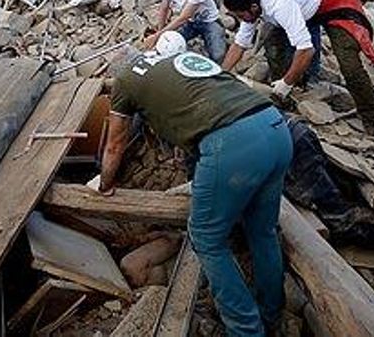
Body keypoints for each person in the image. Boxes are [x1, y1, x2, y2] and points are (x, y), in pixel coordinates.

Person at [99, 31, 291, 336]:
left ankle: (246, 331)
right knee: (263, 231)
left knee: (206, 237)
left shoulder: (125, 80)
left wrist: (105, 184)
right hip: (275, 126)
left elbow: (115, 144)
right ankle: (273, 314)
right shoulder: (179, 61)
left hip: (232, 144)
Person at [221, 0, 374, 137]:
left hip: (337, 4)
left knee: (350, 66)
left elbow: (306, 50)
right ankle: (283, 98)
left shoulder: (280, 5)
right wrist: (221, 74)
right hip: (309, 7)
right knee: (274, 47)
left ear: (254, 7)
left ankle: (372, 118)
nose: (241, 20)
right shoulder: (253, 7)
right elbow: (240, 44)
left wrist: (286, 83)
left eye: (241, 16)